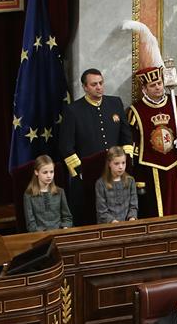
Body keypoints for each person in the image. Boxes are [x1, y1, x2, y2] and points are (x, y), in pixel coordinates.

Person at [124, 25, 177, 218]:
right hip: (150, 171)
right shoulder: (135, 112)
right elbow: (130, 145)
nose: (158, 88)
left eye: (159, 83)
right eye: (153, 85)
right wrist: (137, 175)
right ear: (144, 89)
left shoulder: (176, 104)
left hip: (175, 167)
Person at [59, 68, 134, 226]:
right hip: (87, 175)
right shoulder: (73, 110)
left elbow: (126, 136)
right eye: (94, 84)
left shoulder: (115, 103)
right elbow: (66, 146)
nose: (99, 87)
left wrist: (126, 162)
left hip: (115, 173)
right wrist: (80, 171)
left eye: (101, 83)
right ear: (85, 87)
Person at [23, 156, 73, 232]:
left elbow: (67, 218)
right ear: (36, 172)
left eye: (51, 172)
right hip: (40, 236)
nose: (49, 176)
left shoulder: (60, 192)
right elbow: (31, 224)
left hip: (59, 233)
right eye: (45, 172)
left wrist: (65, 228)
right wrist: (45, 234)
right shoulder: (29, 195)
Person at [95, 147, 139, 224]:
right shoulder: (100, 184)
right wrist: (114, 222)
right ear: (109, 163)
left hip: (127, 224)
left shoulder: (130, 181)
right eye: (116, 163)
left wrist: (131, 218)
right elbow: (102, 211)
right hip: (108, 227)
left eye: (123, 163)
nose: (121, 167)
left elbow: (133, 206)